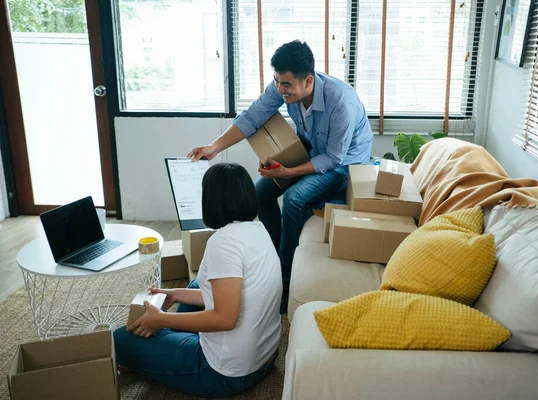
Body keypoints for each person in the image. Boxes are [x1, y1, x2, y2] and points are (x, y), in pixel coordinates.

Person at [188, 40, 373, 313]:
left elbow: (333, 157)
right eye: (276, 82)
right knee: (258, 193)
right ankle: (272, 256)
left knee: (295, 199)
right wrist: (214, 147)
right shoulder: (284, 88)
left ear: (308, 81)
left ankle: (284, 278)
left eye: (285, 84)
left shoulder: (340, 101)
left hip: (344, 164)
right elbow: (252, 117)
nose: (279, 89)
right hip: (309, 151)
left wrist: (287, 173)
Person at [113, 163, 282, 397]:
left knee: (119, 339)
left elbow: (225, 318)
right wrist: (176, 294)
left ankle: (158, 351)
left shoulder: (223, 243)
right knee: (193, 286)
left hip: (223, 373)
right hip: (264, 357)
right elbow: (236, 295)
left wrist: (163, 320)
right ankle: (166, 345)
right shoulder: (258, 229)